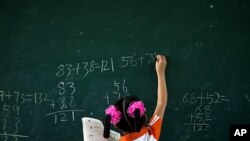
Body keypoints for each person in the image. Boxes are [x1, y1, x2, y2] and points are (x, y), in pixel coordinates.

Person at [103, 55, 167, 141]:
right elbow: (161, 103)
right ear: (144, 116)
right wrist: (160, 73)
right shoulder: (150, 134)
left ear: (115, 124)